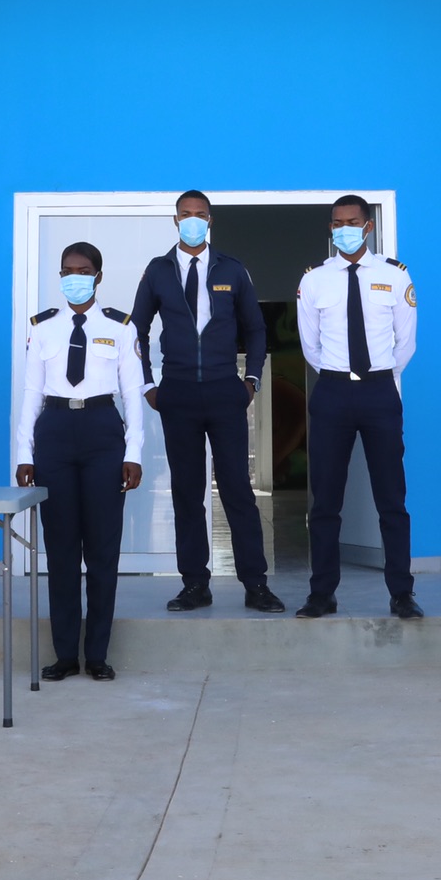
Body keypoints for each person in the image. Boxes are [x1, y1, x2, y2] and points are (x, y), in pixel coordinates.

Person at [131, 190, 284, 614]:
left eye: (200, 214)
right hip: (177, 392)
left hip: (224, 391)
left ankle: (256, 584)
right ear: (175, 220)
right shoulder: (158, 270)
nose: (193, 221)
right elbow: (136, 330)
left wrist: (251, 380)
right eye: (186, 214)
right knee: (186, 492)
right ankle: (195, 584)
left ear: (210, 220)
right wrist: (147, 385)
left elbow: (255, 328)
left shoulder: (232, 269)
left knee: (238, 489)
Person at [15, 242, 148, 680]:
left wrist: (133, 453)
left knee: (103, 549)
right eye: (68, 271)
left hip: (102, 431)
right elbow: (31, 393)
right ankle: (65, 655)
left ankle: (97, 654)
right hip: (54, 431)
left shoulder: (120, 327)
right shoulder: (43, 327)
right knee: (62, 550)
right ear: (60, 276)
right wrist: (24, 453)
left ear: (98, 277)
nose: (75, 277)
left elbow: (132, 394)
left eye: (84, 270)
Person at [292, 195, 423, 620]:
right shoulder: (315, 280)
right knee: (326, 501)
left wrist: (376, 376)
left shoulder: (394, 275)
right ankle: (322, 593)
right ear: (330, 228)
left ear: (368, 227)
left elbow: (406, 342)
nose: (344, 229)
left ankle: (401, 593)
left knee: (392, 499)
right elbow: (310, 345)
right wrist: (341, 375)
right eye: (337, 223)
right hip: (332, 393)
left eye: (352, 222)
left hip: (379, 392)